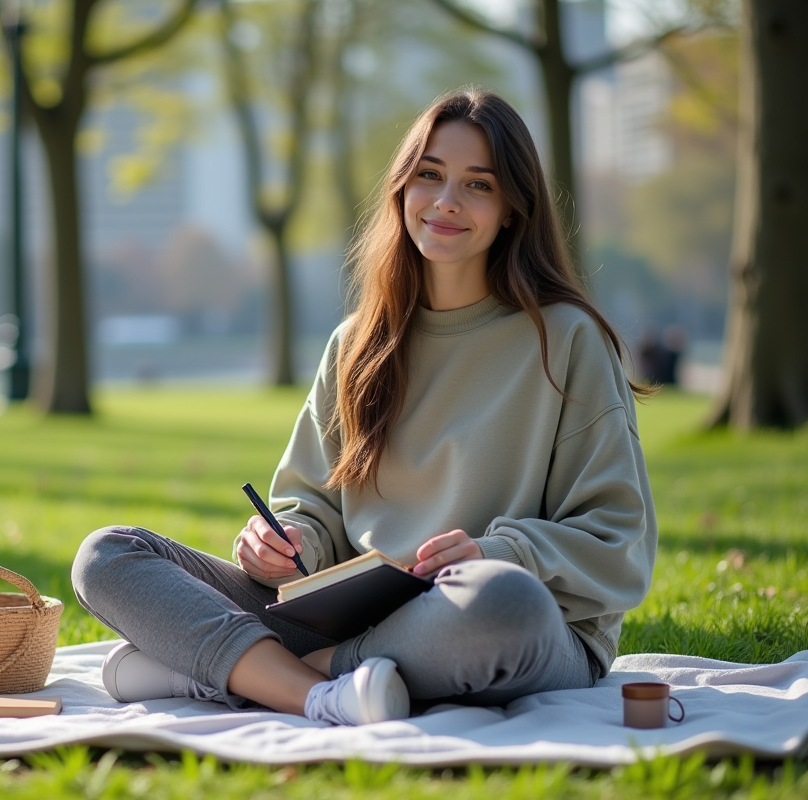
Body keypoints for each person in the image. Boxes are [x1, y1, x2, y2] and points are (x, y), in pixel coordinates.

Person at [72, 87, 657, 726]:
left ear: (513, 209)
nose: (445, 202)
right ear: (401, 189)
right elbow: (312, 507)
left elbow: (616, 539)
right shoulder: (357, 343)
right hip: (357, 618)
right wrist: (289, 540)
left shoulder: (566, 338)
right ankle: (316, 694)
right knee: (108, 555)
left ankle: (241, 673)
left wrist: (497, 554)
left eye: (478, 185)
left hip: (500, 624)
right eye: (428, 176)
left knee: (503, 602)